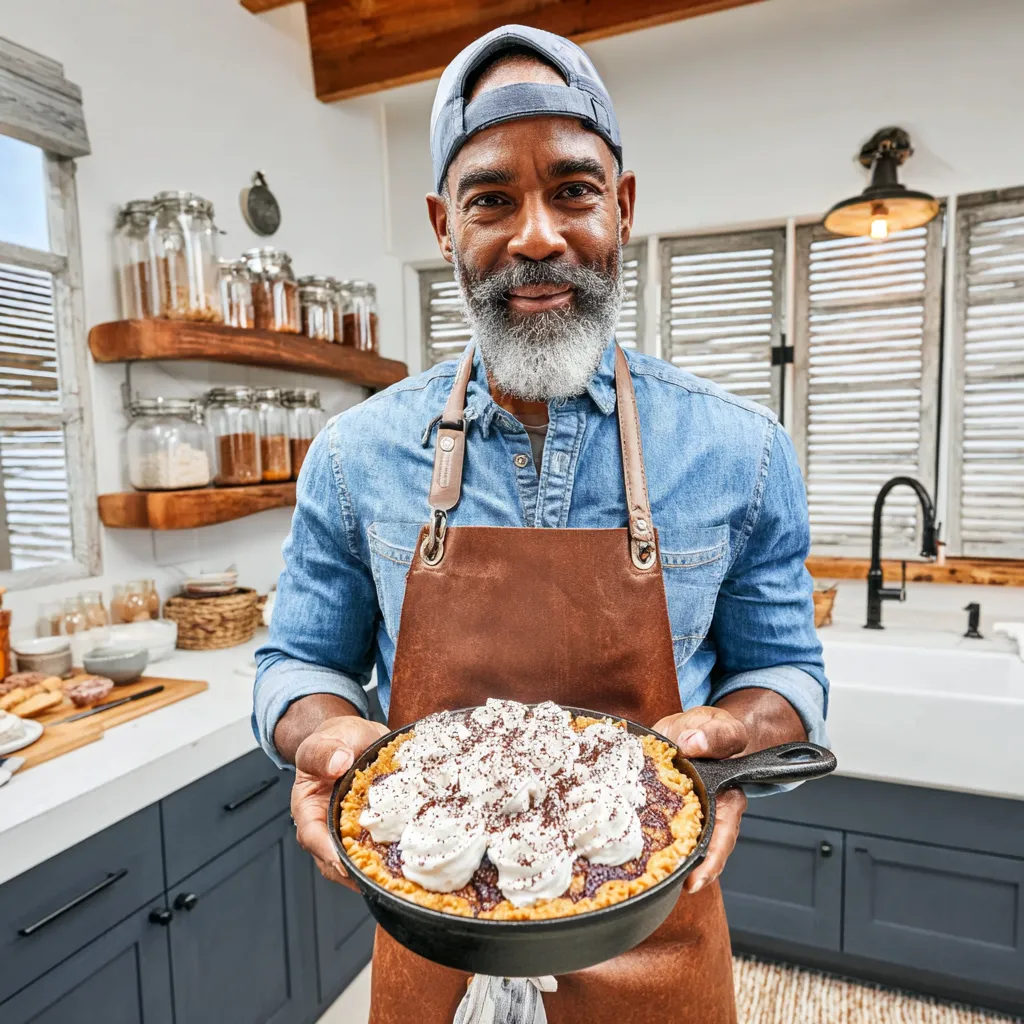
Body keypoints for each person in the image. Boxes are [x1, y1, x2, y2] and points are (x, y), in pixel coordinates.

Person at [254, 24, 828, 1024]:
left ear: (623, 205)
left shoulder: (742, 452)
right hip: (432, 923)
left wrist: (735, 735)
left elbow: (785, 672)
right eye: (491, 199)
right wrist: (326, 736)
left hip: (653, 919)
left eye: (572, 189)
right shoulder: (352, 455)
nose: (535, 237)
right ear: (444, 225)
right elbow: (294, 661)